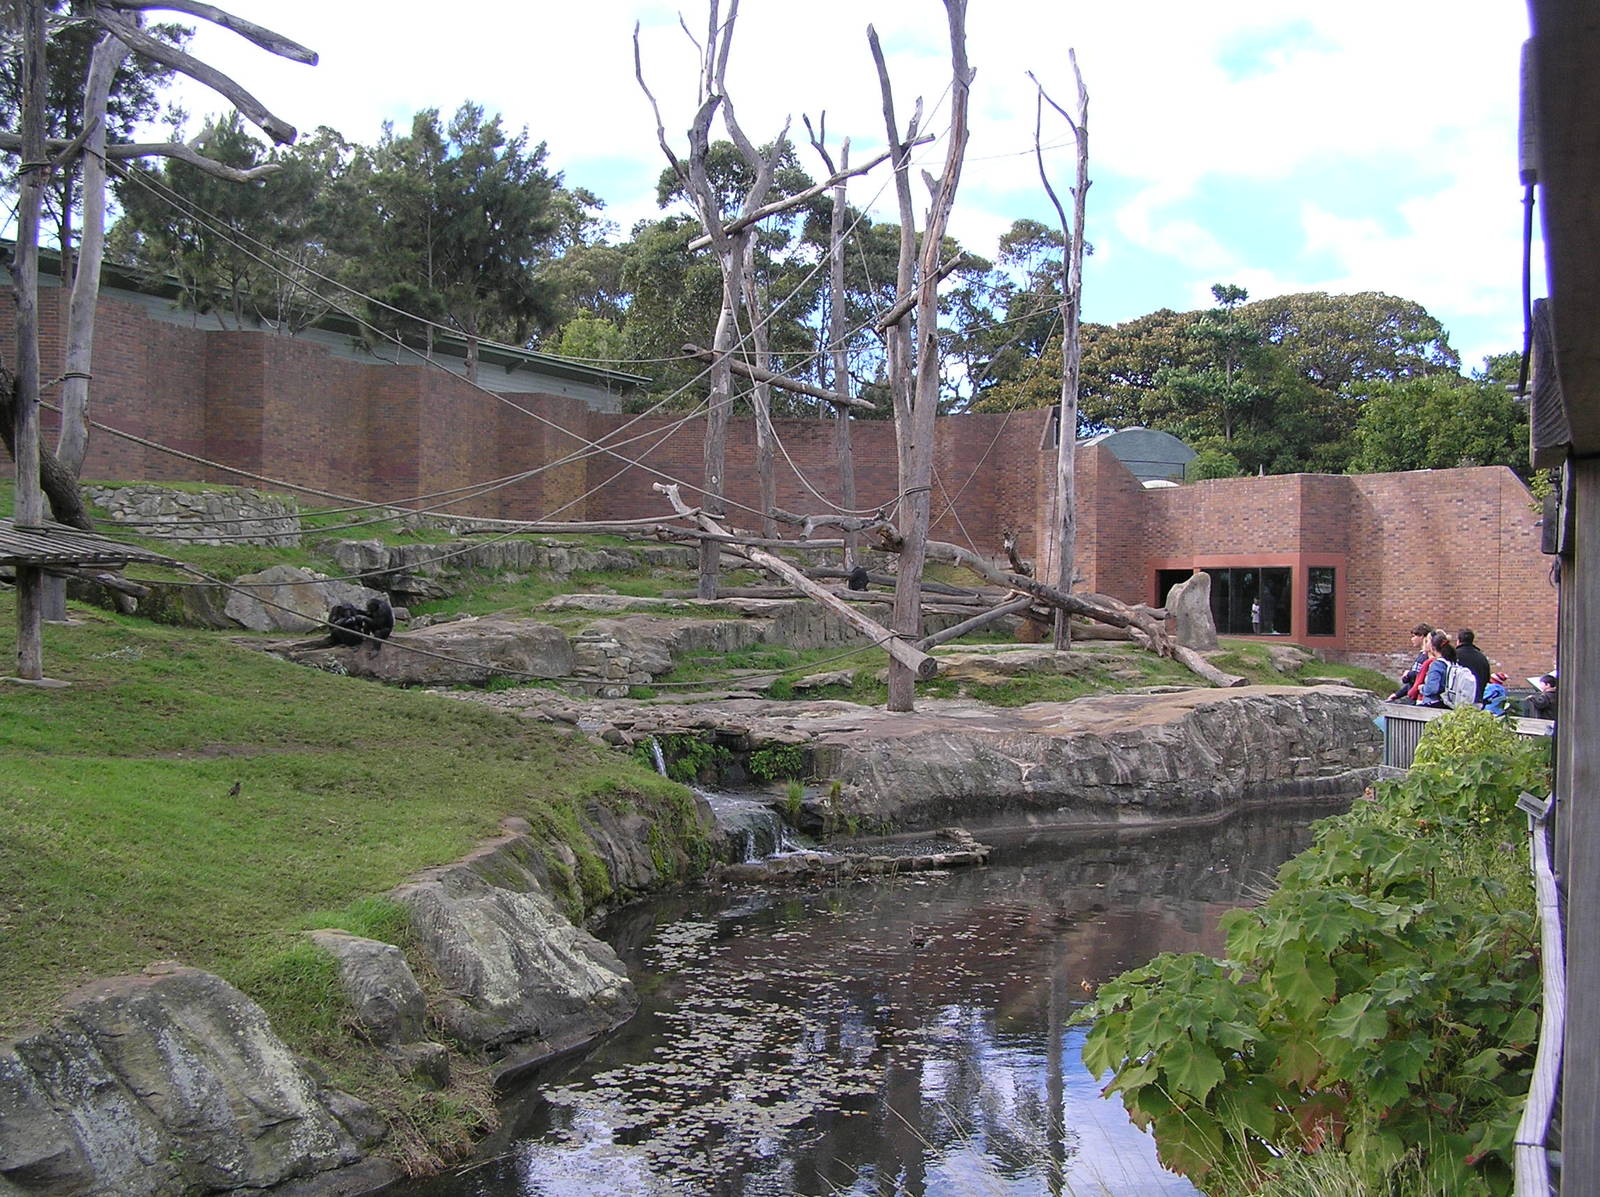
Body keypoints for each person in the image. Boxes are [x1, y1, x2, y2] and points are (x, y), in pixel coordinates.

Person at [1387, 624, 1434, 702]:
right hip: (1412, 694)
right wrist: (1397, 694)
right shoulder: (1421, 655)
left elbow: (1419, 677)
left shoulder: (1427, 657)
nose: (1412, 639)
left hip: (1418, 697)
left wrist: (1408, 674)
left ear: (1421, 636)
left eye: (1414, 636)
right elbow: (1411, 681)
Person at [1413, 630, 1457, 707]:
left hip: (1432, 704)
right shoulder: (1451, 662)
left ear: (1433, 648)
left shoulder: (1437, 665)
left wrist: (1422, 688)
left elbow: (1432, 688)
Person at [1455, 629, 1491, 705]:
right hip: (1477, 699)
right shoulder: (1482, 658)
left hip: (1457, 699)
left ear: (1458, 641)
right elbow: (1487, 679)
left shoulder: (1453, 656)